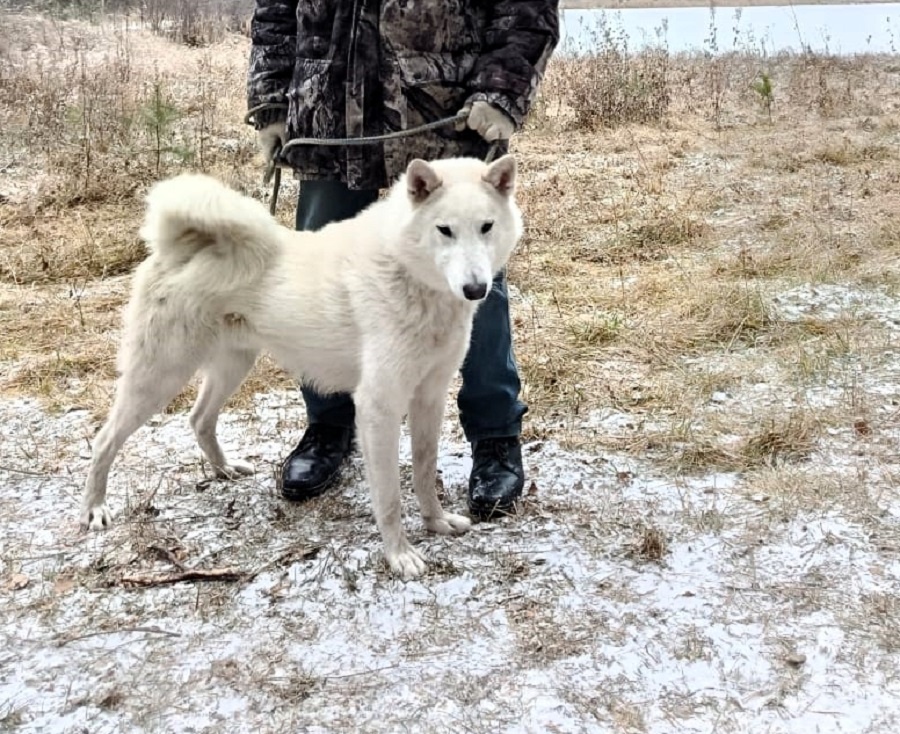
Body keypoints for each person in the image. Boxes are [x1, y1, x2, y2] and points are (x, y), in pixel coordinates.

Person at [247, 1, 559, 520]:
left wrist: (502, 90)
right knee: (315, 279)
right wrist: (271, 101)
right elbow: (276, 9)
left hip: (446, 114)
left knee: (473, 286)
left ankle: (495, 436)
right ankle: (328, 425)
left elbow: (526, 9)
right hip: (328, 117)